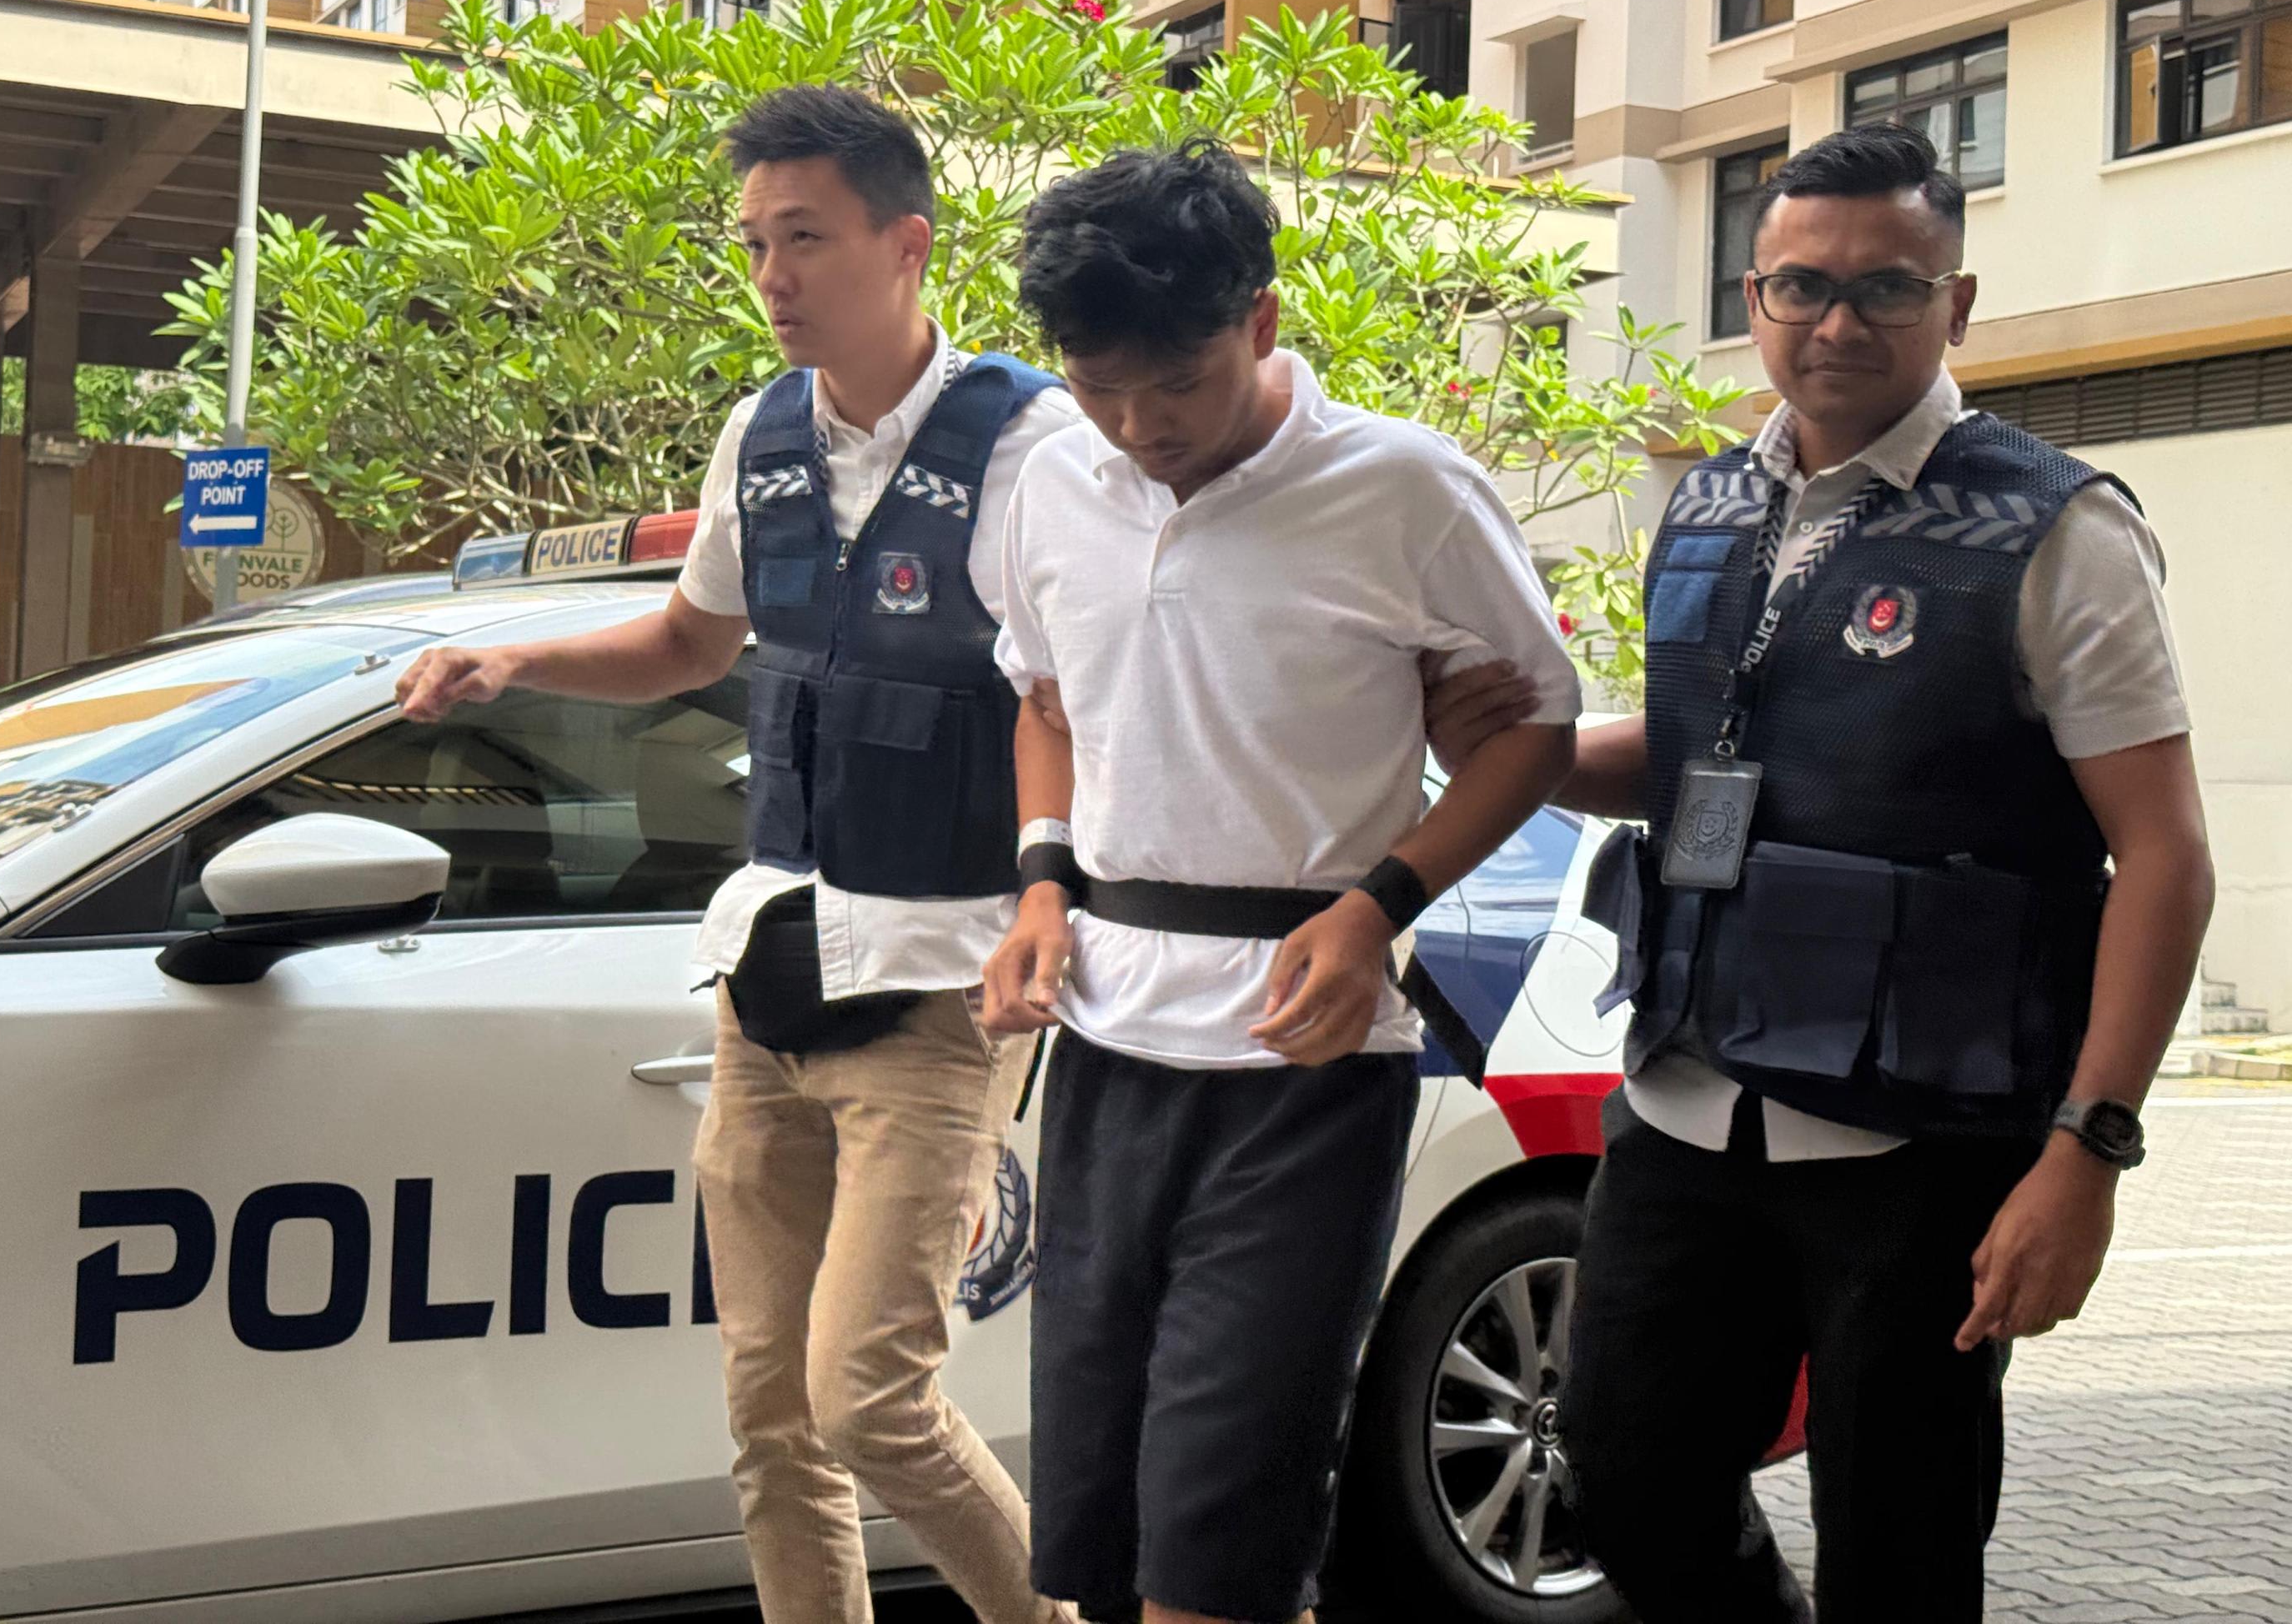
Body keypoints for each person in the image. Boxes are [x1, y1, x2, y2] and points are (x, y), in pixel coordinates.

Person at [1484, 123, 2210, 1621]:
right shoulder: (1709, 502)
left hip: (1922, 1148)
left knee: (1904, 1549)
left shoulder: (2056, 529)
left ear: (1958, 302)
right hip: (1687, 1100)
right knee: (1625, 1477)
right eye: (1799, 285)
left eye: (1886, 287)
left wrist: (2086, 1153)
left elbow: (2165, 854)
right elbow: (1688, 754)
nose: (1835, 322)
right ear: (1754, 296)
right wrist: (1503, 750)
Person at [395, 84, 1082, 1624]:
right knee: (771, 1420)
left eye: (807, 238)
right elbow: (690, 642)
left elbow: (1078, 694)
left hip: (938, 993)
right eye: (757, 242)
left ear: (907, 244)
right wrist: (517, 663)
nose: (774, 275)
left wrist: (1056, 890)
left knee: (868, 1398)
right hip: (768, 984)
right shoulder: (759, 435)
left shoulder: (1033, 445)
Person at [980, 139, 1582, 1624]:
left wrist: (1381, 905)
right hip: (1108, 1043)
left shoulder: (1404, 487)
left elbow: (1538, 730)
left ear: (1259, 320)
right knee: (1102, 1536)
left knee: (1223, 1536)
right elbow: (1045, 699)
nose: (1139, 426)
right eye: (1099, 387)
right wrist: (1043, 885)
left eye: (1176, 384)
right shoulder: (1056, 479)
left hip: (1303, 1062)